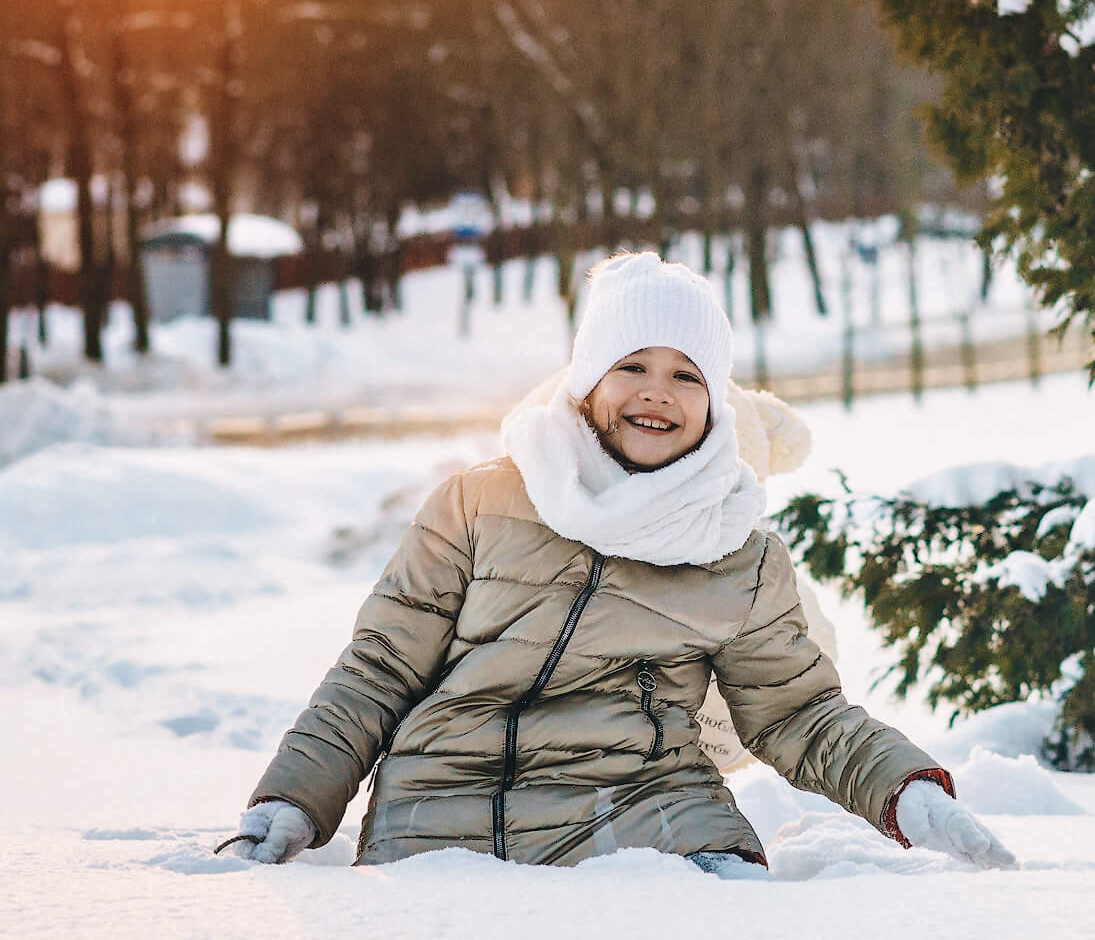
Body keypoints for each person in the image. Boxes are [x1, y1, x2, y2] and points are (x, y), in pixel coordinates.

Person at [219, 251, 1015, 875]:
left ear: (714, 401)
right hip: (445, 812)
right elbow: (378, 668)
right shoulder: (478, 503)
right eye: (632, 365)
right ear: (587, 379)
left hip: (649, 816)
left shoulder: (737, 550)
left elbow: (797, 713)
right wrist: (294, 799)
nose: (656, 394)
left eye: (685, 375)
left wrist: (908, 794)